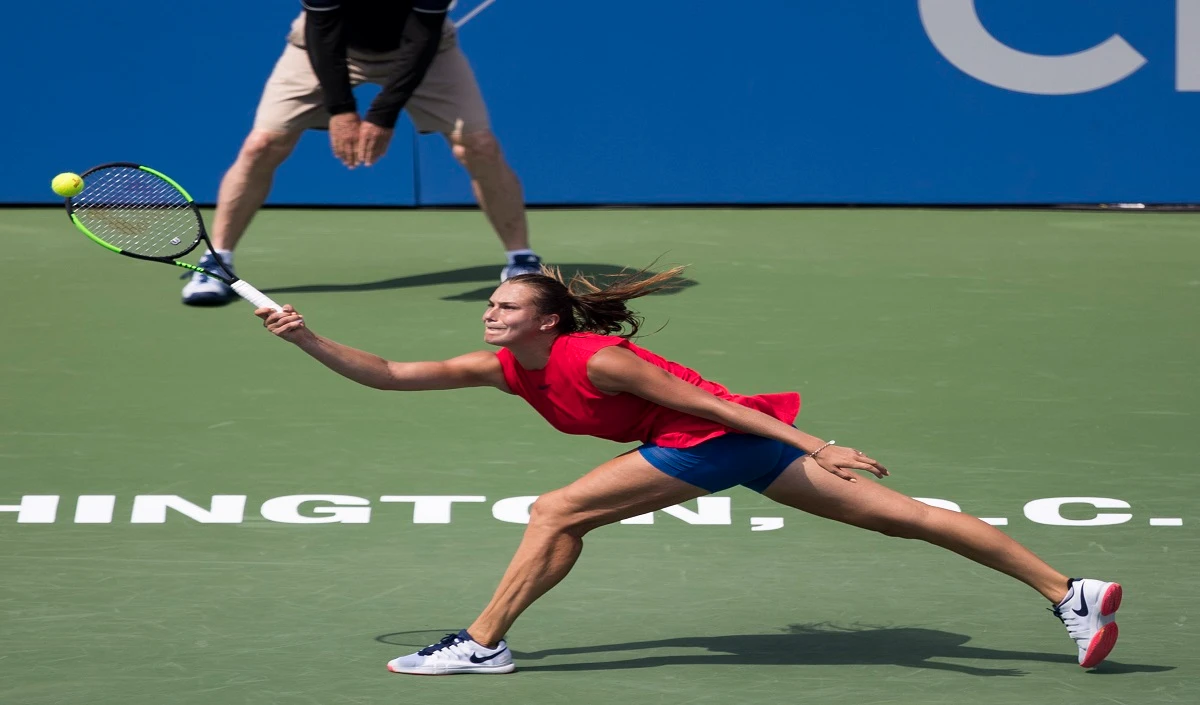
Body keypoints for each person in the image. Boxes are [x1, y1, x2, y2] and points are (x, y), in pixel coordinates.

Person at [254, 266, 1123, 675]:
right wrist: (307, 338)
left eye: (508, 305)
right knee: (908, 517)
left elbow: (715, 406)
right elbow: (393, 375)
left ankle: (481, 643)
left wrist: (816, 442)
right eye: (490, 303)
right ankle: (1070, 591)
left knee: (557, 510)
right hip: (735, 451)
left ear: (551, 320)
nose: (490, 312)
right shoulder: (501, 364)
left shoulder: (596, 359)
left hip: (717, 440)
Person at [184, 0, 540, 305]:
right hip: (322, 46)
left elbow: (422, 37)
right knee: (261, 144)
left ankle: (521, 260)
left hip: (423, 49)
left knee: (479, 146)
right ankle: (217, 260)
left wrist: (382, 116)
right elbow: (322, 30)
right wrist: (342, 110)